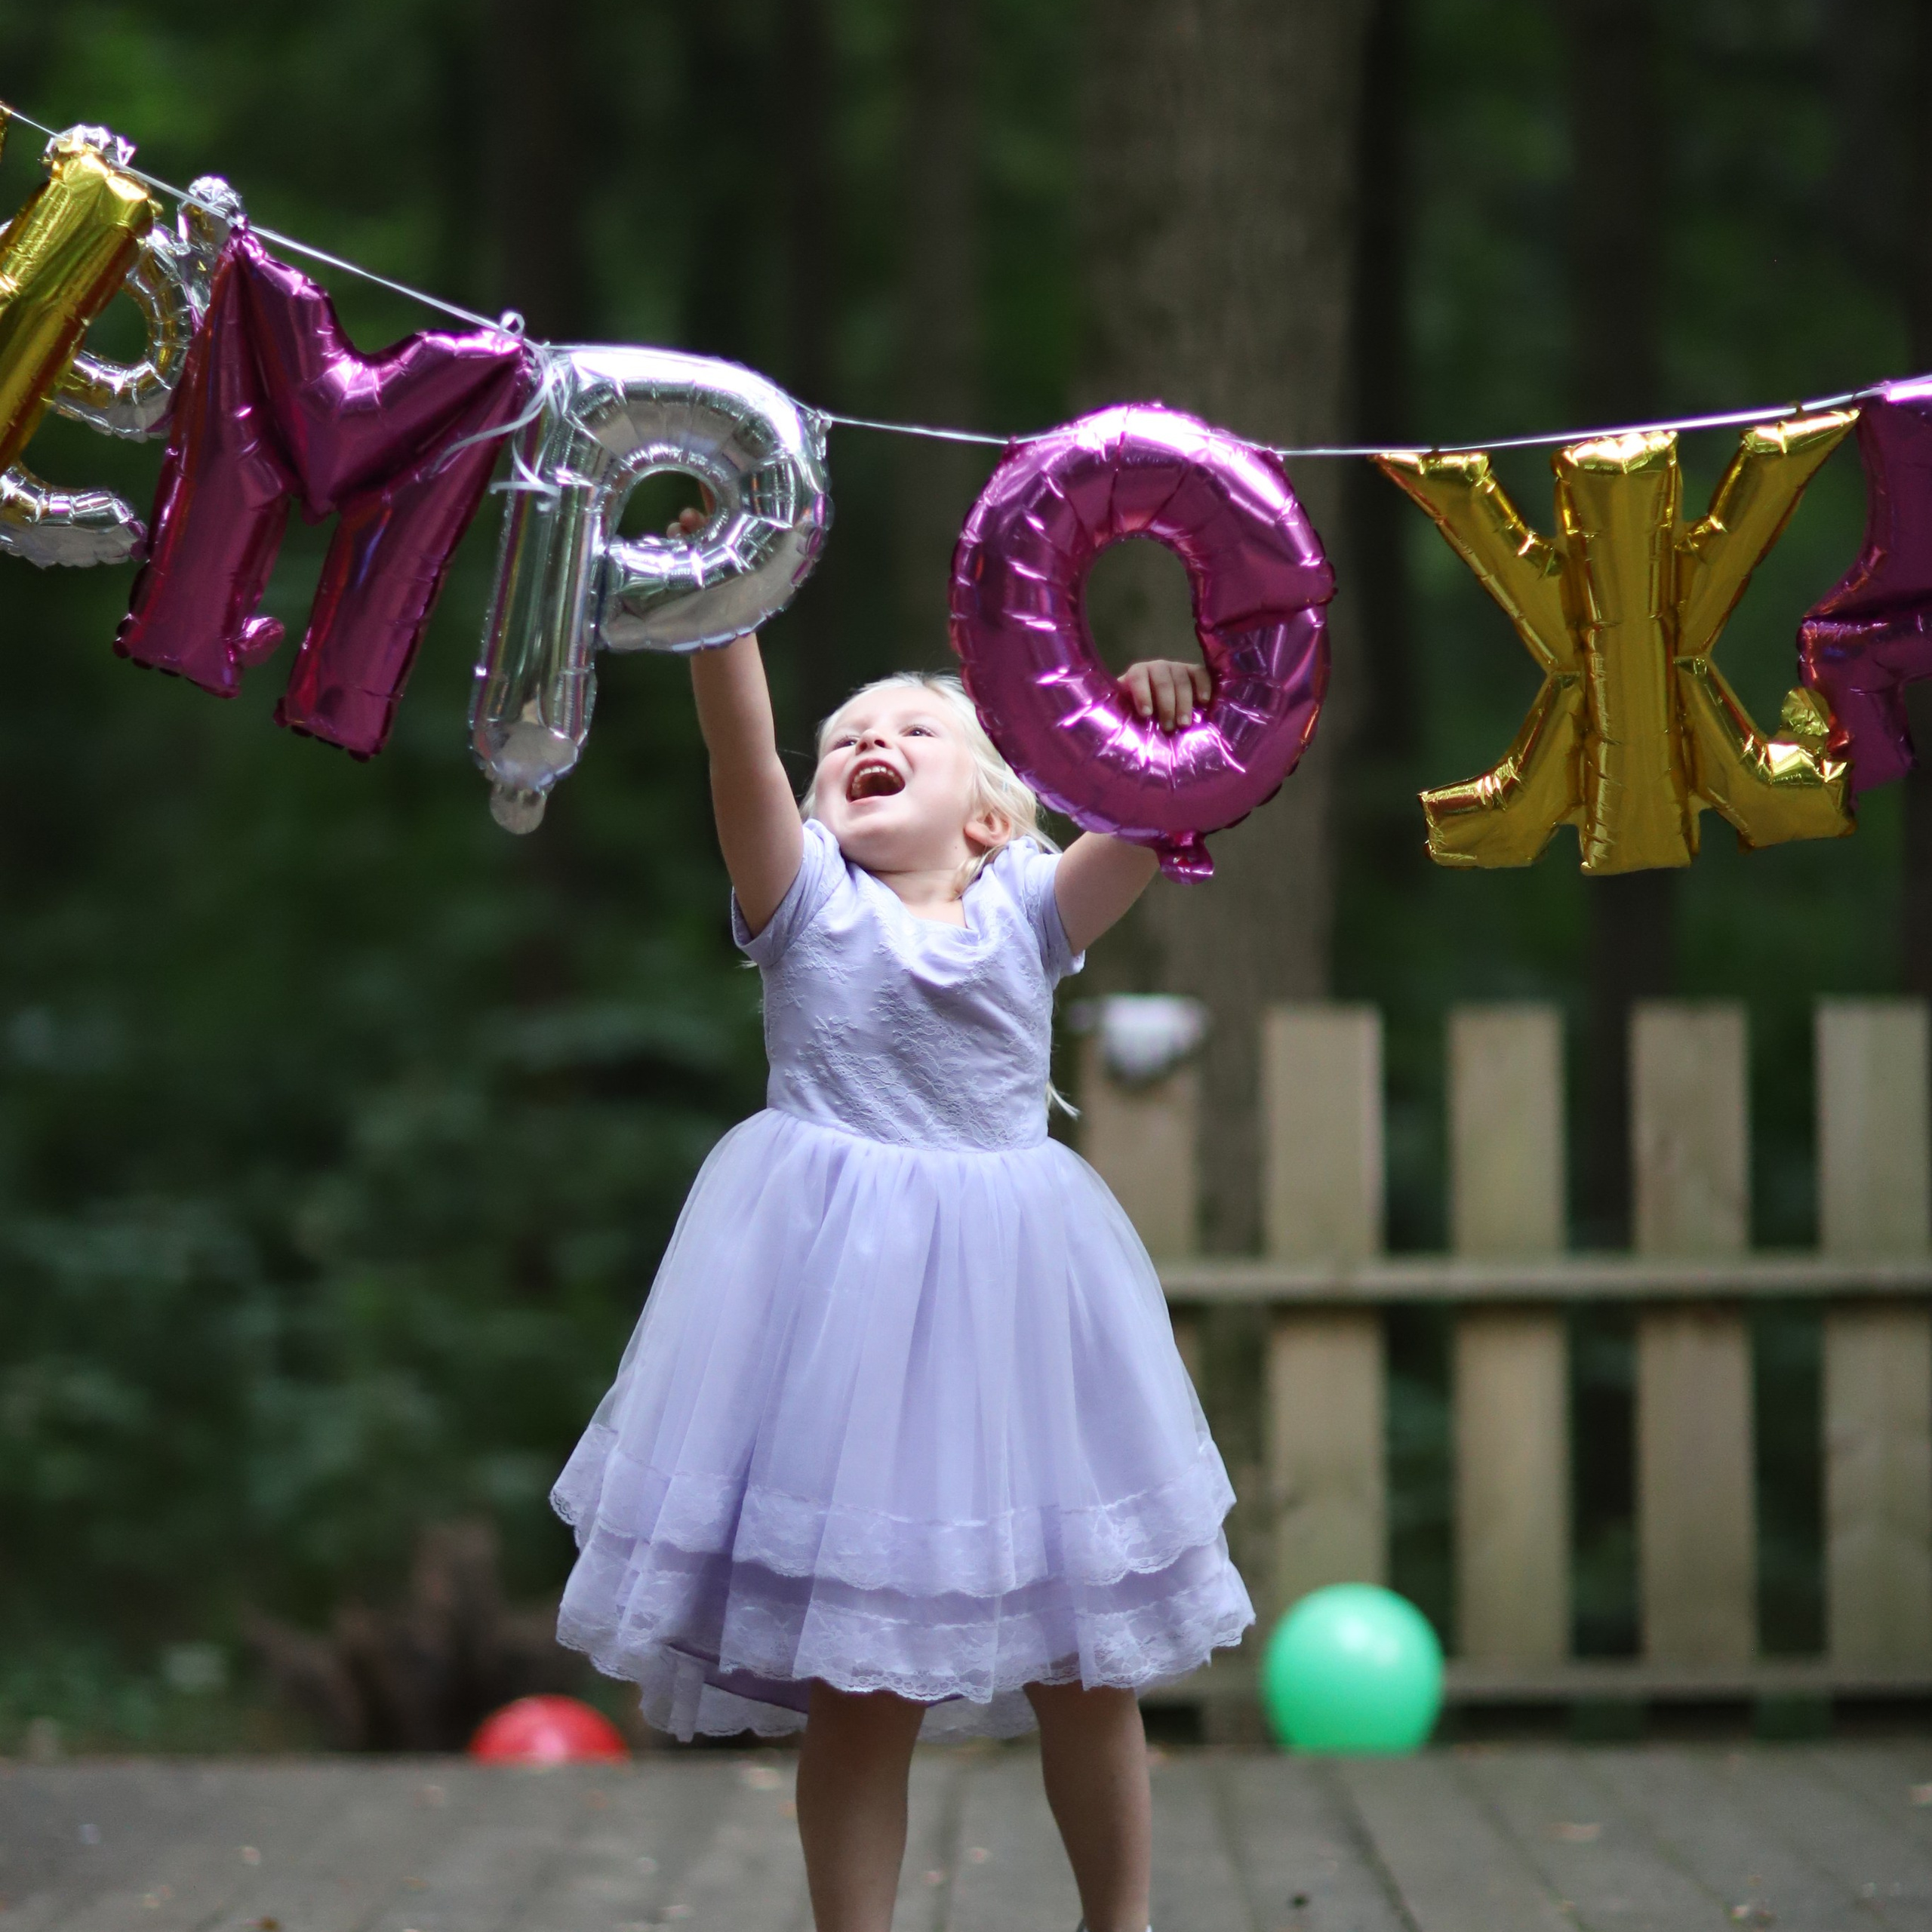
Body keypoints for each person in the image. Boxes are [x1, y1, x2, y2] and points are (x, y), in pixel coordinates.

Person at [550, 573, 1253, 1932]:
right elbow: (738, 753)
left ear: (992, 812)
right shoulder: (804, 903)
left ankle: (1126, 1923)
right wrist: (720, 612)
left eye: (912, 733)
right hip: (841, 1326)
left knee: (1087, 1663)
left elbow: (1166, 808)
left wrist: (1177, 712)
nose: (867, 742)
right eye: (843, 743)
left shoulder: (1031, 910)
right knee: (860, 1678)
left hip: (1015, 1318)